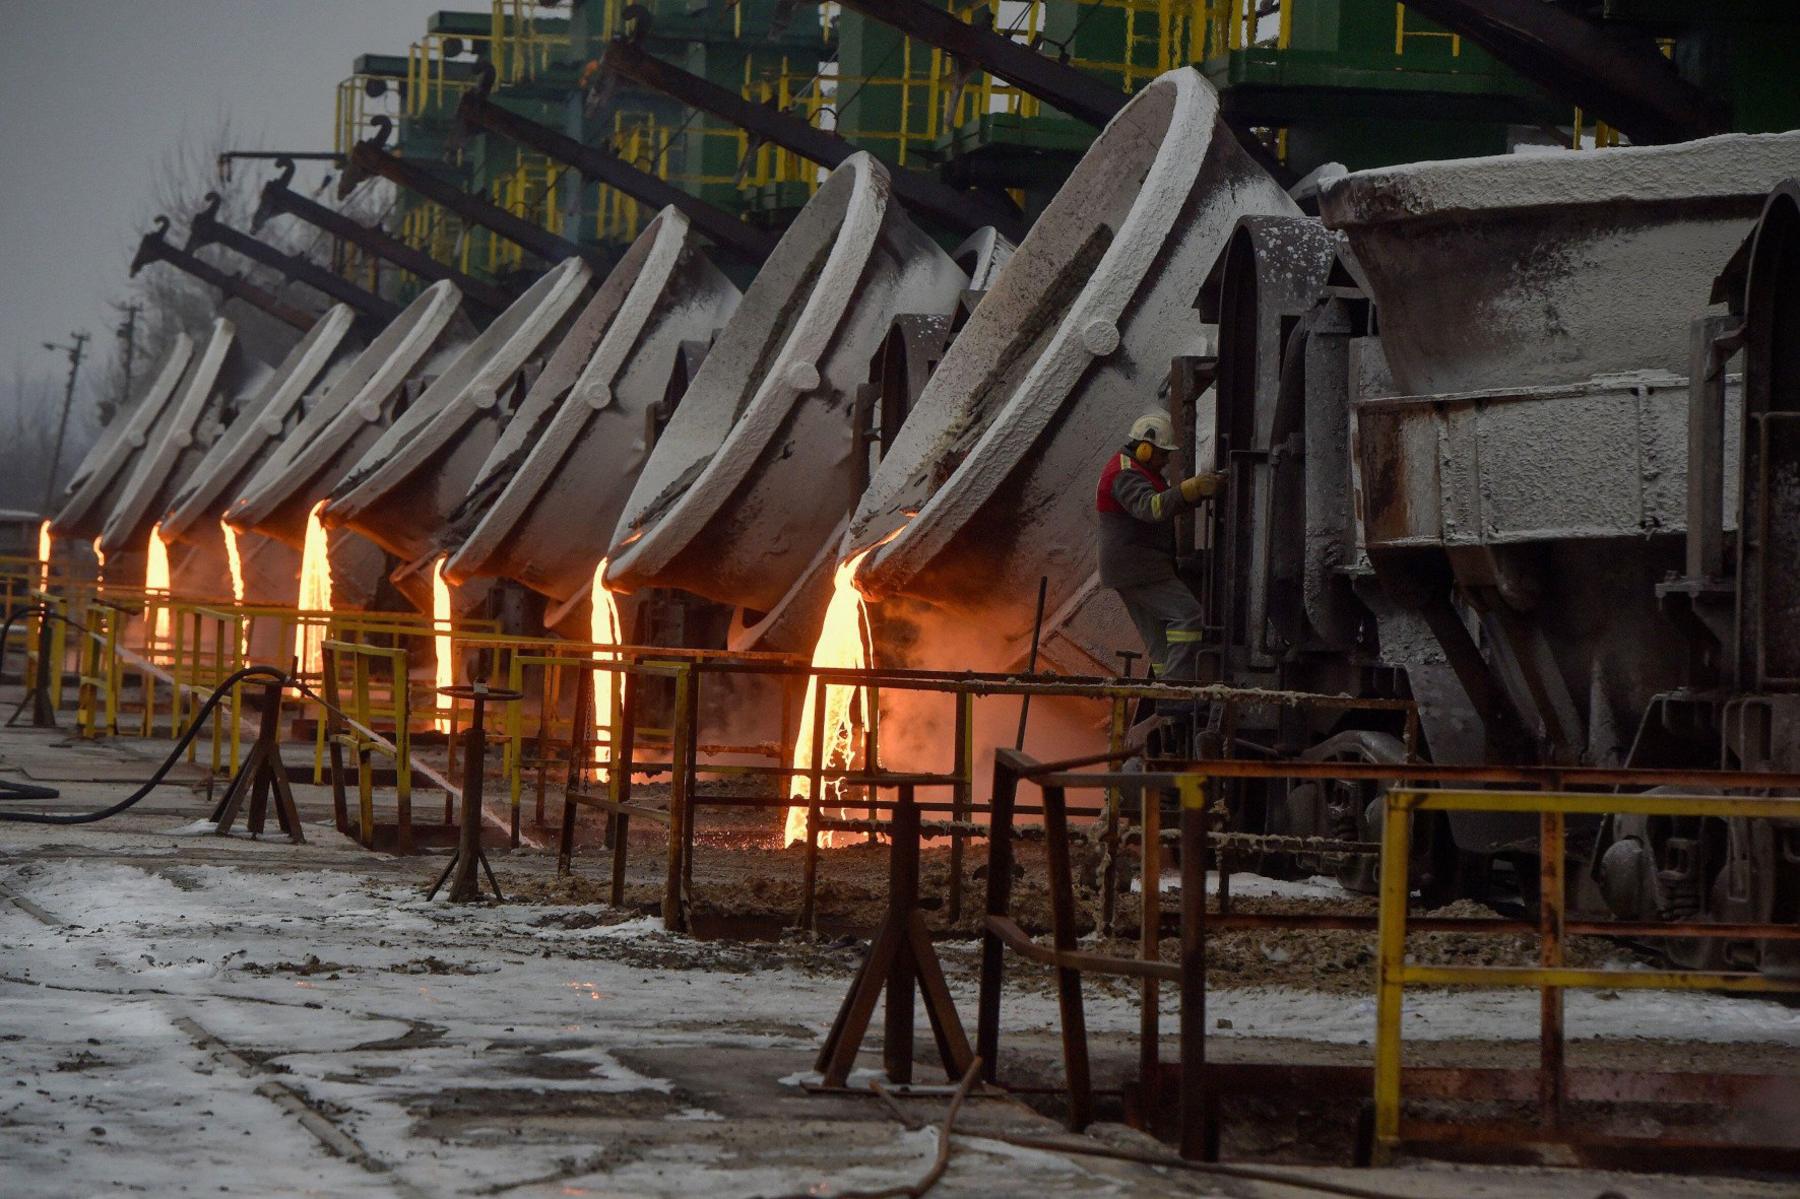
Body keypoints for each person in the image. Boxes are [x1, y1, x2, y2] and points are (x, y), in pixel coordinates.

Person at [1095, 412, 1225, 688]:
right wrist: (1190, 489)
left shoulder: (1139, 470)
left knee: (1159, 642)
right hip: (1140, 568)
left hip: (1129, 570)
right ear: (1145, 447)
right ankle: (1176, 692)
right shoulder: (1124, 472)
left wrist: (1196, 493)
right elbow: (1150, 508)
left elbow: (1162, 504)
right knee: (1189, 617)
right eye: (1163, 454)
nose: (1166, 461)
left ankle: (1165, 695)